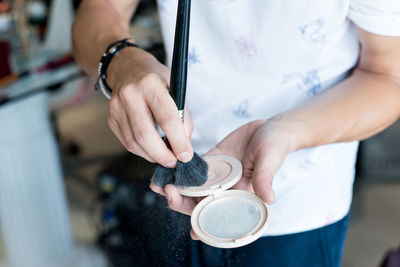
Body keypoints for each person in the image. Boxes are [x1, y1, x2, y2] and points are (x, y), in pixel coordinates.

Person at [72, 0, 400, 266]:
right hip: (182, 188)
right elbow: (99, 11)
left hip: (300, 202)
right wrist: (122, 63)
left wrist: (284, 133)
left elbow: (388, 77)